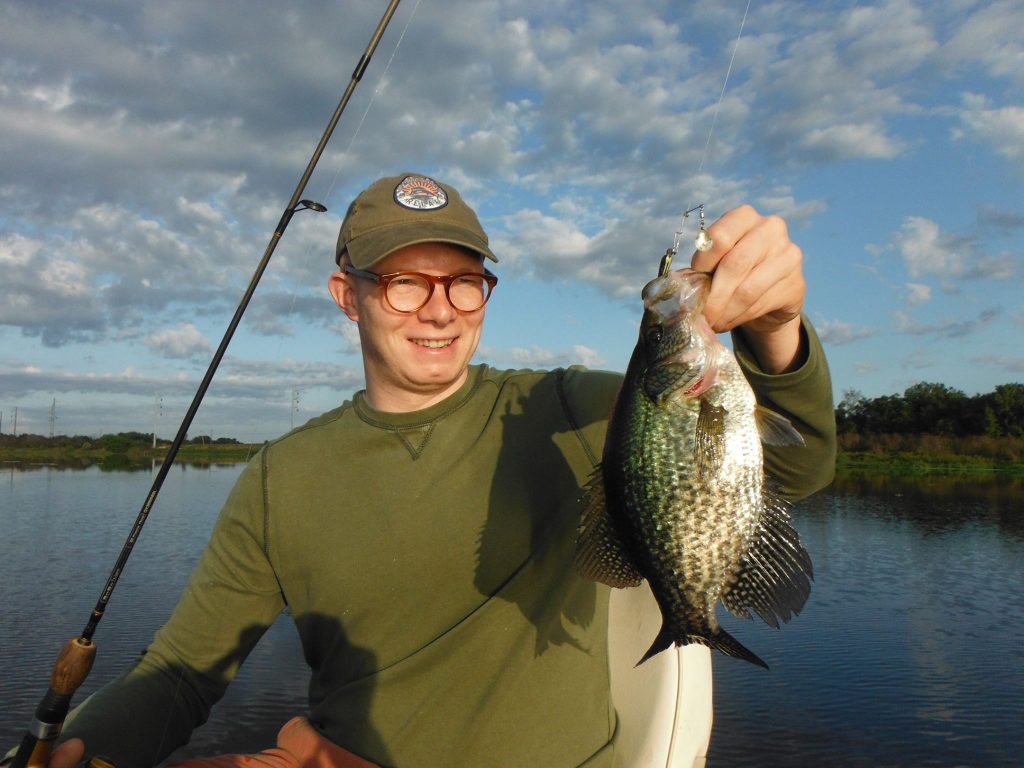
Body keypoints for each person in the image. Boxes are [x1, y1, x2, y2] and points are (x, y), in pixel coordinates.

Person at [42, 173, 836, 767]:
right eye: (403, 282)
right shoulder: (280, 477)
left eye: (463, 280)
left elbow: (795, 468)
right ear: (346, 296)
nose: (440, 307)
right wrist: (75, 747)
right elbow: (181, 677)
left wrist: (778, 330)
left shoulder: (570, 408)